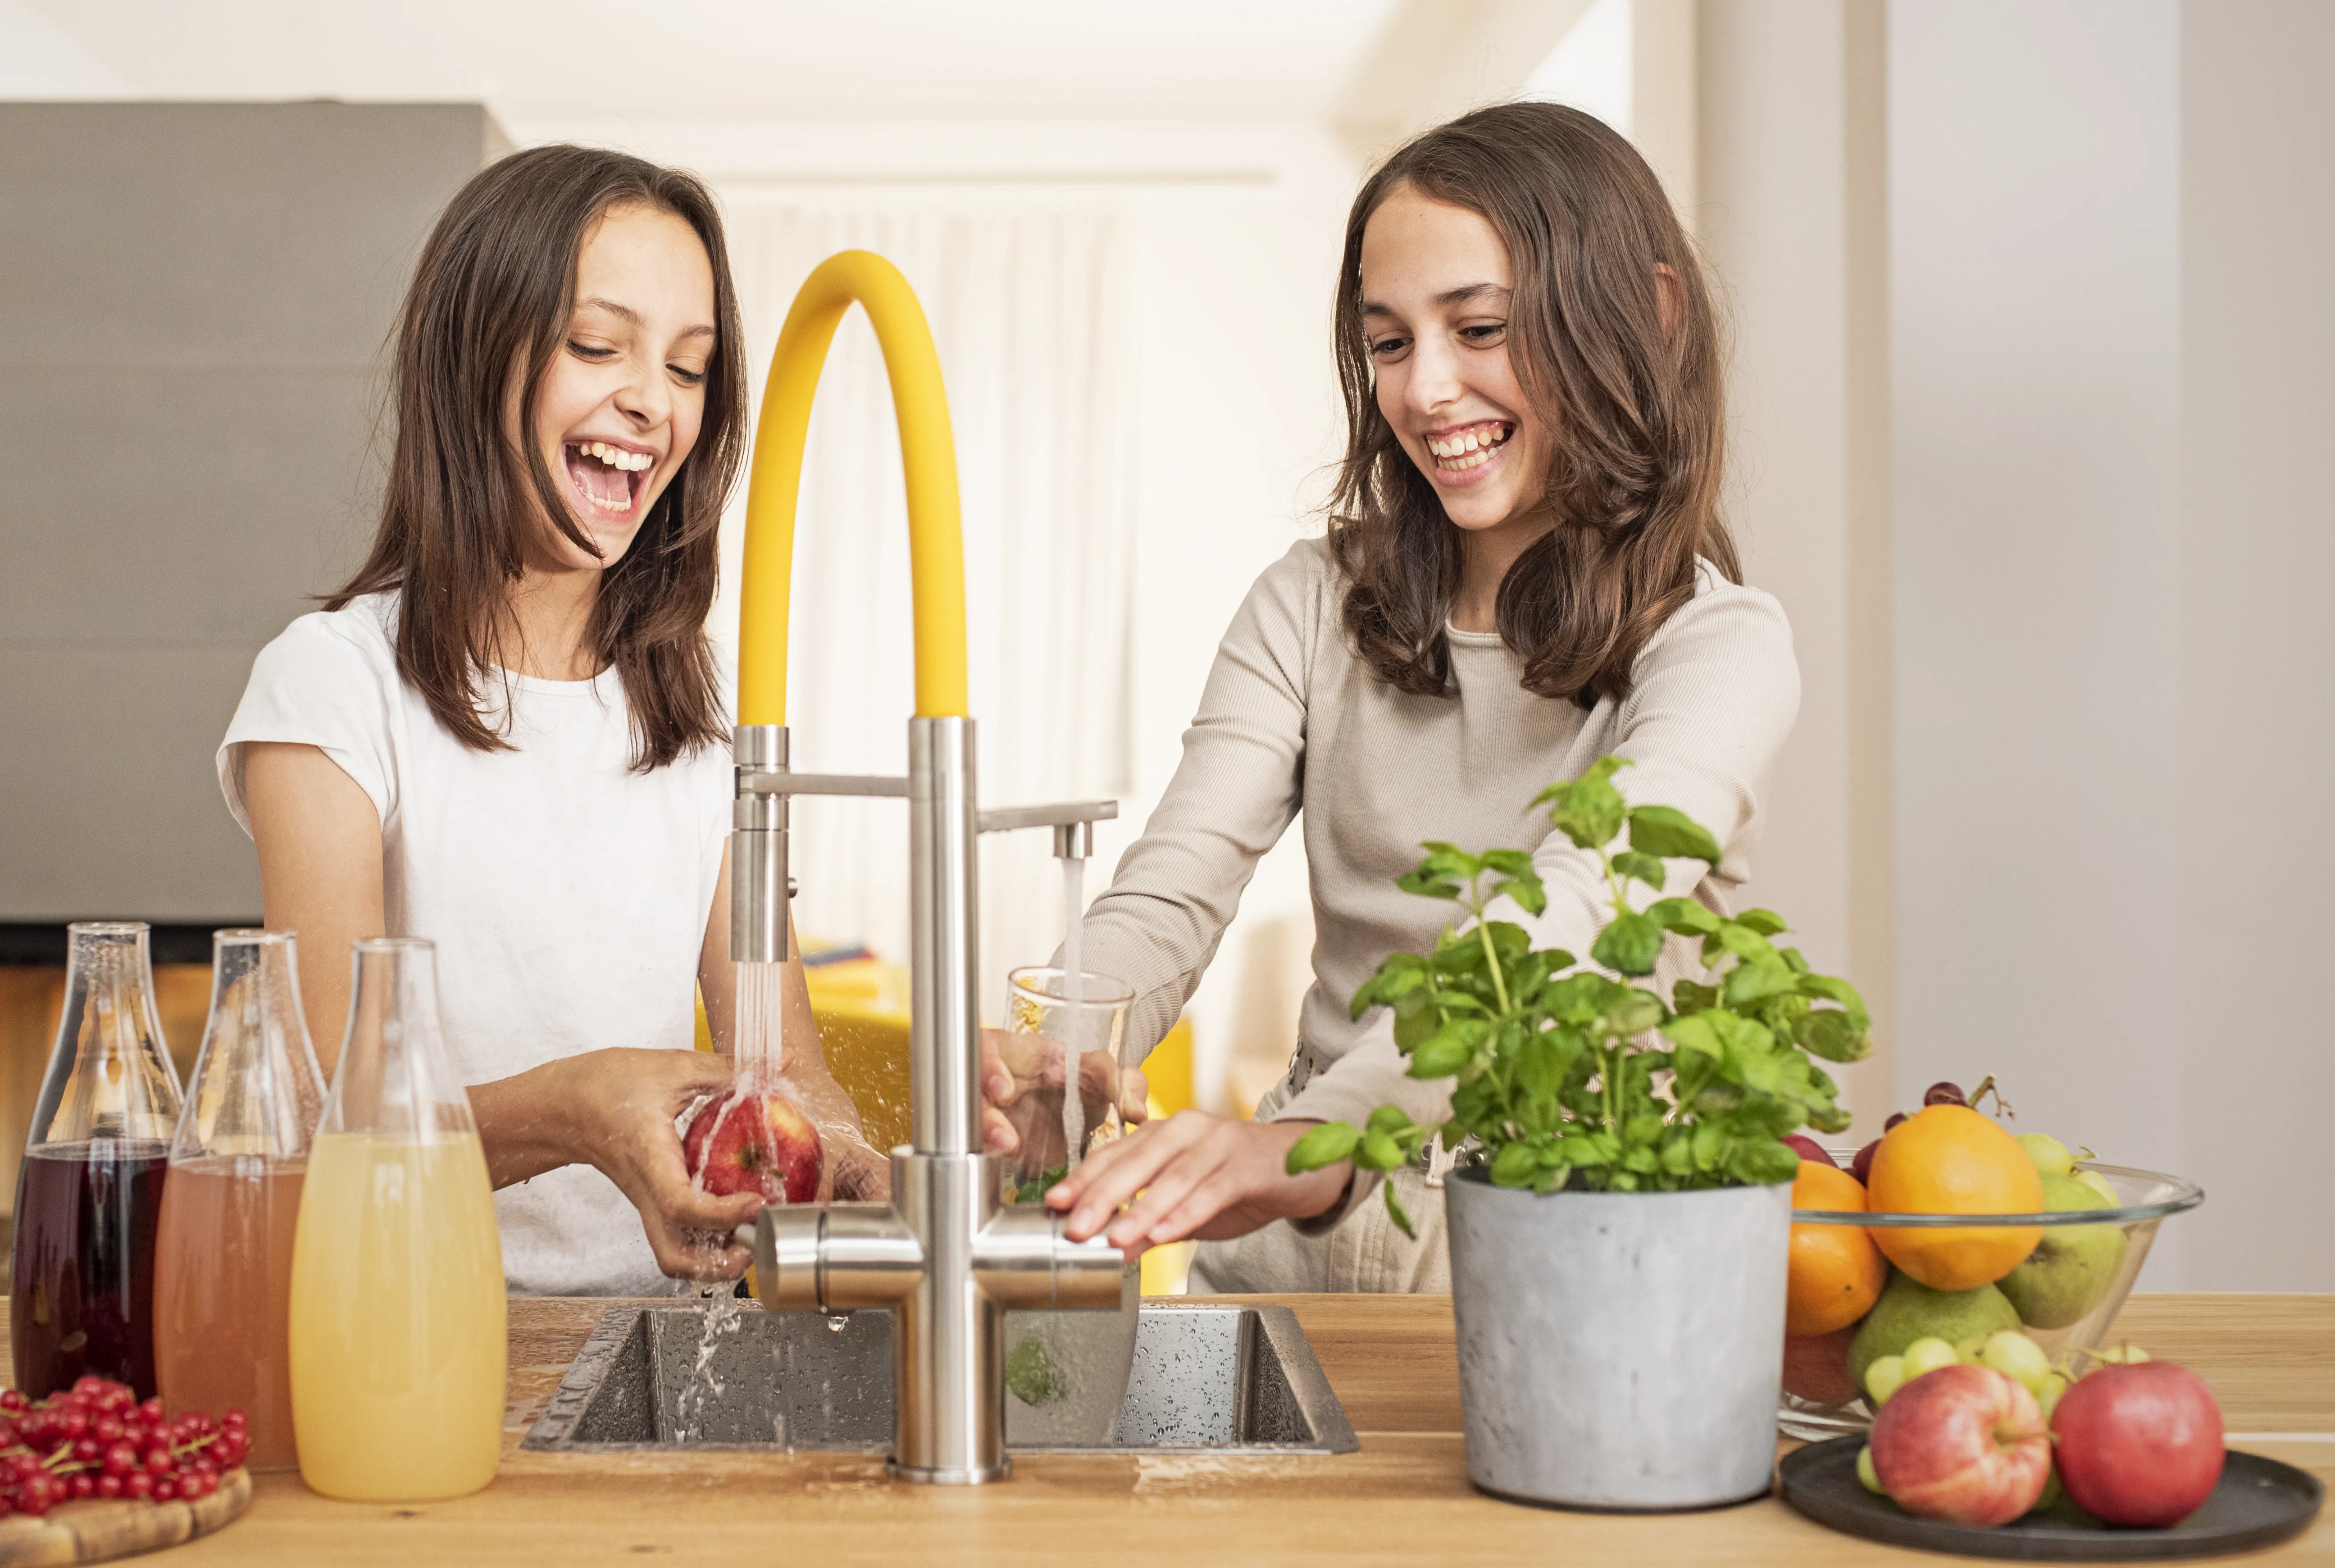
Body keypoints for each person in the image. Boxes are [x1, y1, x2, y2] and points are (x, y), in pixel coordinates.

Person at [1015, 103, 1801, 1292]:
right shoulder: (1312, 602)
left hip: (1564, 1258)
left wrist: (1313, 1143)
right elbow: (1175, 886)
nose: (1428, 391)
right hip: (1295, 1247)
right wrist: (1058, 1046)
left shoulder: (1718, 648)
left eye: (1478, 327)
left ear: (1649, 315)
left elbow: (1566, 928)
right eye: (1389, 344)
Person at [217, 145, 880, 1295]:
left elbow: (787, 1077)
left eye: (688, 367)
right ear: (477, 358)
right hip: (403, 1334)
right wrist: (579, 1107)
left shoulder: (693, 723)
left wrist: (870, 1167)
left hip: (655, 1343)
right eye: (596, 345)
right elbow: (324, 1129)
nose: (650, 400)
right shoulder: (332, 687)